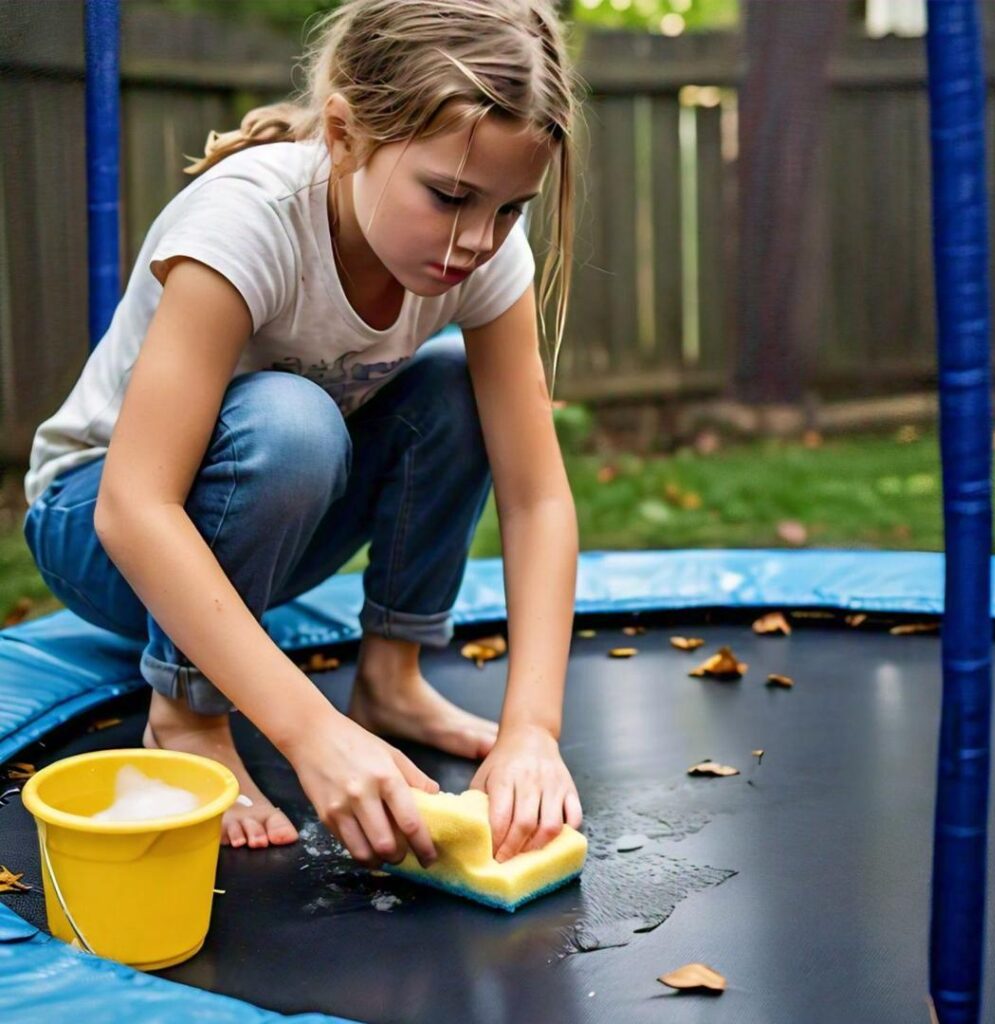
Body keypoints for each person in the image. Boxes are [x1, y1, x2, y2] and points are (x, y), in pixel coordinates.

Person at [22, 0, 584, 872]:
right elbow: (133, 509)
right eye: (449, 197)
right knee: (292, 421)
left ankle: (392, 680)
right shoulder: (245, 224)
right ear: (346, 134)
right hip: (98, 525)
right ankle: (188, 710)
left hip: (268, 530)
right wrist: (311, 735)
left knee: (457, 391)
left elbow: (537, 496)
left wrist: (532, 731)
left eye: (511, 210)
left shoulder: (475, 254)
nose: (479, 239)